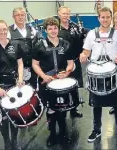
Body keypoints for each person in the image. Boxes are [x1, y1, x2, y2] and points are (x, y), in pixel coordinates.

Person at [79, 7, 117, 143]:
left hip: (113, 72)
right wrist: (83, 55)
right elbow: (86, 52)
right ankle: (96, 130)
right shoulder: (91, 34)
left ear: (110, 18)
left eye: (107, 17)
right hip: (96, 74)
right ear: (98, 18)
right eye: (102, 17)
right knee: (96, 105)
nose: (105, 19)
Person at [31, 17, 75, 146]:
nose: (53, 30)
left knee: (62, 108)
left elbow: (70, 63)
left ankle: (63, 133)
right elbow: (35, 64)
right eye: (50, 28)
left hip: (62, 82)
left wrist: (67, 72)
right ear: (45, 30)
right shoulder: (39, 45)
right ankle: (52, 134)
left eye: (55, 28)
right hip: (47, 82)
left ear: (58, 28)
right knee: (51, 109)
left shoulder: (65, 44)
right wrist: (43, 76)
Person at [0, 20, 24, 150]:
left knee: (14, 113)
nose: (2, 32)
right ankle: (7, 141)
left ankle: (14, 140)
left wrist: (20, 79)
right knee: (4, 116)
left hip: (13, 85)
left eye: (4, 29)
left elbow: (20, 64)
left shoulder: (15, 45)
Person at [57, 6, 86, 118]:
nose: (65, 16)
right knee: (64, 86)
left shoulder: (75, 27)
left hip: (75, 61)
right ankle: (63, 109)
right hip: (62, 63)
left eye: (67, 14)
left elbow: (82, 38)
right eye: (63, 13)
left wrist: (83, 52)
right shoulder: (56, 29)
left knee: (74, 85)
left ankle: (74, 109)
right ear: (59, 14)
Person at [8, 7, 38, 89]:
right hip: (17, 67)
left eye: (22, 15)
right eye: (17, 15)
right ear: (13, 17)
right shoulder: (8, 31)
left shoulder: (31, 29)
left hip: (32, 66)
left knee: (33, 90)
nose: (20, 17)